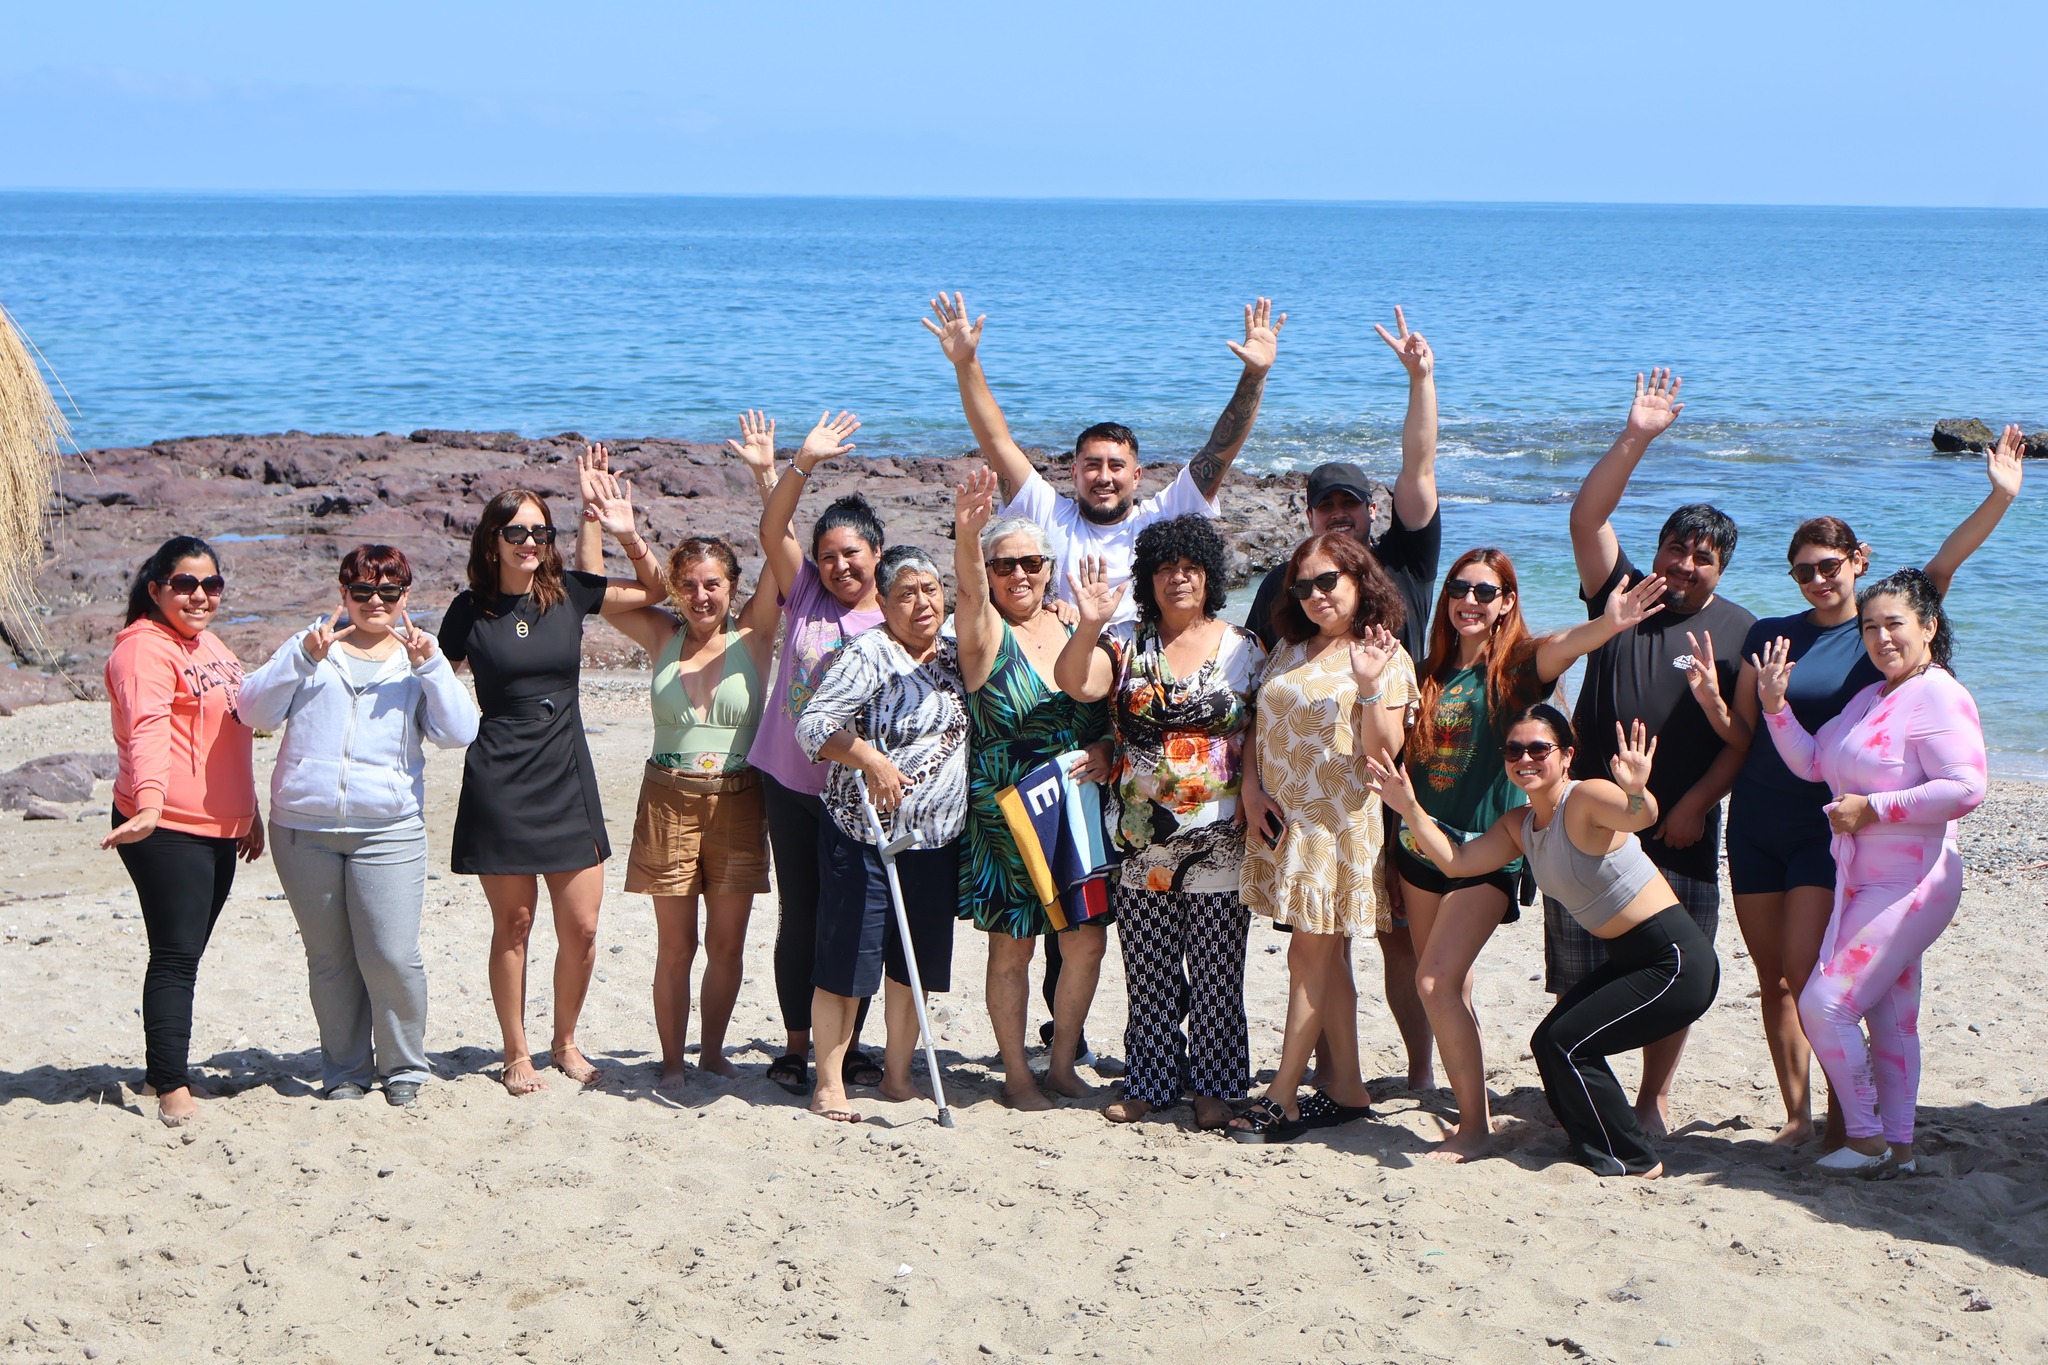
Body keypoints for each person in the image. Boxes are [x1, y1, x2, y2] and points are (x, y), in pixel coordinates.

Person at [928, 289, 1282, 1063]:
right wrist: (967, 363)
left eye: (1116, 464)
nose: (1103, 474)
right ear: (1075, 471)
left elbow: (1219, 452)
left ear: (1137, 472)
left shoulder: (1164, 517)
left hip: (1132, 734)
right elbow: (997, 439)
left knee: (1116, 904)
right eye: (1091, 463)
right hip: (1060, 719)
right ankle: (1068, 1041)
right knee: (1081, 903)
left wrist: (1254, 378)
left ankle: (1093, 1038)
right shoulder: (1047, 521)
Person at [1697, 425, 2023, 1148]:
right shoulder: (1824, 666)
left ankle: (1860, 1130)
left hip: (1858, 846)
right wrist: (1747, 703)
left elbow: (1948, 559)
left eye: (1829, 565)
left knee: (1824, 988)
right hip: (1796, 836)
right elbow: (1785, 746)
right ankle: (1844, 1130)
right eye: (1802, 570)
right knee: (1827, 994)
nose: (1818, 579)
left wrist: (1999, 497)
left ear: (1859, 563)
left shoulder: (1908, 657)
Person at [1366, 708, 1720, 1178]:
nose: (1525, 758)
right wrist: (1409, 808)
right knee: (1549, 1041)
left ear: (1567, 755)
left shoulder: (1586, 798)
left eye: (1539, 749)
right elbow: (1457, 862)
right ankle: (1599, 1146)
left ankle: (1635, 1159)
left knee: (1568, 1045)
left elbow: (1639, 818)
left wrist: (1636, 790)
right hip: (1632, 961)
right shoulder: (1520, 824)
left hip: (1674, 962)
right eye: (1514, 750)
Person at [1397, 548, 1669, 1159]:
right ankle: (1471, 1102)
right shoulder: (1427, 671)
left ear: (1507, 604)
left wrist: (1611, 622)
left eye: (1485, 592)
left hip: (1490, 851)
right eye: (1459, 589)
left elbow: (1568, 644)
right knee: (1447, 985)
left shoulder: (1517, 668)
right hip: (1419, 848)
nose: (1470, 600)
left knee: (1435, 980)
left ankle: (1473, 1128)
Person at [1240, 306, 1443, 1096]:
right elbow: (1258, 687)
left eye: (1350, 505)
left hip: (1396, 777)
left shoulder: (1407, 560)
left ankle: (1420, 1073)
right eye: (1326, 507)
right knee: (1325, 945)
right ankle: (1341, 1076)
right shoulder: (1289, 593)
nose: (1339, 517)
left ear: (1369, 511)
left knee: (1399, 942)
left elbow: (1418, 470)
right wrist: (1248, 781)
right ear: (1310, 516)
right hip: (1311, 804)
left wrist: (1420, 381)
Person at [436, 448, 667, 1094]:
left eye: (540, 531)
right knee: (513, 925)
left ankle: (564, 1040)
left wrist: (615, 522)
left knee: (584, 928)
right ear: (493, 540)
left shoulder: (566, 595)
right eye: (516, 532)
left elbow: (657, 590)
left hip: (567, 776)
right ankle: (516, 1048)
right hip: (499, 783)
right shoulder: (470, 610)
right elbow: (430, 681)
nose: (530, 542)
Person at [1561, 368, 1754, 1137]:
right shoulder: (1622, 594)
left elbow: (1744, 737)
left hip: (1680, 825)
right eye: (1675, 549)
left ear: (1721, 567)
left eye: (1701, 558)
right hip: (1591, 822)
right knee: (1582, 966)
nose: (1681, 566)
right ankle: (1583, 1082)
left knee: (1672, 973)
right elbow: (1585, 517)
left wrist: (1697, 804)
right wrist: (1636, 435)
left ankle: (1654, 1097)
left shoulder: (1745, 631)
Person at [1757, 568, 1987, 1178]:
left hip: (1913, 882)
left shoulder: (1938, 693)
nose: (1882, 638)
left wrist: (1874, 809)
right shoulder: (1874, 696)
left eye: (1895, 624)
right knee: (1891, 1016)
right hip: (1863, 882)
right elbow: (1812, 764)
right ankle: (1900, 1150)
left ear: (1929, 627)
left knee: (1825, 1005)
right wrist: (1775, 706)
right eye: (1870, 627)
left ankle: (1864, 1140)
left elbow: (1967, 787)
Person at [236, 544, 479, 1107]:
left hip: (388, 829)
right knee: (329, 959)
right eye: (363, 590)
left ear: (405, 598)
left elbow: (458, 731)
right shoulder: (309, 646)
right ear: (342, 593)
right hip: (303, 828)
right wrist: (301, 657)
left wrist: (433, 666)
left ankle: (403, 1067)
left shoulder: (418, 657)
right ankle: (344, 1070)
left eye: (388, 592)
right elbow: (253, 712)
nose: (376, 601)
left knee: (392, 954)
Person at [1055, 516, 1263, 1130]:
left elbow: (1256, 734)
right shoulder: (1123, 641)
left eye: (1191, 568)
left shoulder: (1243, 647)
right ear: (1149, 577)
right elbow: (1077, 682)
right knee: (1148, 967)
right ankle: (1150, 1081)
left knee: (1218, 970)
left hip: (1221, 838)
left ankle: (1216, 1087)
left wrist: (1254, 791)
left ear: (1210, 577)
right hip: (1143, 839)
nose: (1178, 577)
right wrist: (1090, 619)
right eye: (1166, 568)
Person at [585, 502, 778, 1087]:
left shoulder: (756, 633)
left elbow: (780, 548)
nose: (700, 596)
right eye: (689, 585)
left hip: (740, 797)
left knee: (726, 943)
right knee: (676, 946)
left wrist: (772, 476)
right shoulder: (660, 632)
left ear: (732, 587)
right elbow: (589, 587)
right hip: (667, 798)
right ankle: (671, 1061)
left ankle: (712, 1052)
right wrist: (604, 521)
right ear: (674, 588)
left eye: (712, 585)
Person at [1231, 533, 1414, 1143]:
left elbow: (1385, 755)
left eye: (1327, 580)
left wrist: (1367, 685)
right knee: (1327, 955)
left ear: (1360, 579)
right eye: (1302, 585)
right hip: (1282, 823)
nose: (1314, 595)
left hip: (1337, 827)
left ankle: (1282, 1095)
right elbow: (1258, 721)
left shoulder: (1384, 654)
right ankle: (1349, 1087)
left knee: (1306, 954)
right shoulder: (1289, 645)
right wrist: (1250, 789)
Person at [952, 469, 1115, 1110]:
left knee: (1087, 941)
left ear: (1050, 567)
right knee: (1012, 947)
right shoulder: (985, 632)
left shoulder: (1075, 623)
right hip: (1006, 813)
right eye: (1004, 565)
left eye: (1031, 562)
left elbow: (1104, 705)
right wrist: (968, 533)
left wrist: (1106, 749)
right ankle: (1017, 1074)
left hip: (1076, 809)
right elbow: (966, 590)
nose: (1019, 574)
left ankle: (1064, 1059)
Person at [794, 546, 969, 1124]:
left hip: (935, 841)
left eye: (931, 590)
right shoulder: (869, 654)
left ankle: (897, 1075)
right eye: (906, 594)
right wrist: (871, 759)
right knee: (847, 963)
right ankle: (828, 1083)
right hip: (864, 836)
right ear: (884, 603)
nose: (922, 603)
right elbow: (813, 725)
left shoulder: (952, 656)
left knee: (910, 964)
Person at [746, 409, 889, 1096]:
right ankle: (796, 1044)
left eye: (851, 554)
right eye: (828, 554)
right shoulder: (803, 589)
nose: (838, 566)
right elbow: (771, 531)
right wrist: (795, 464)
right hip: (789, 779)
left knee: (853, 913)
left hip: (856, 789)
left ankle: (852, 1044)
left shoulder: (894, 613)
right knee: (800, 911)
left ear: (876, 556)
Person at [101, 535, 262, 1127]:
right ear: (156, 589)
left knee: (185, 953)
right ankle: (170, 1085)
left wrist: (248, 812)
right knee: (174, 958)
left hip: (217, 828)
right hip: (164, 825)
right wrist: (146, 805)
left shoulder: (209, 644)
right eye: (186, 585)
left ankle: (157, 1069)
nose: (200, 595)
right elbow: (146, 727)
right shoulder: (143, 650)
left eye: (212, 584)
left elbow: (232, 733)